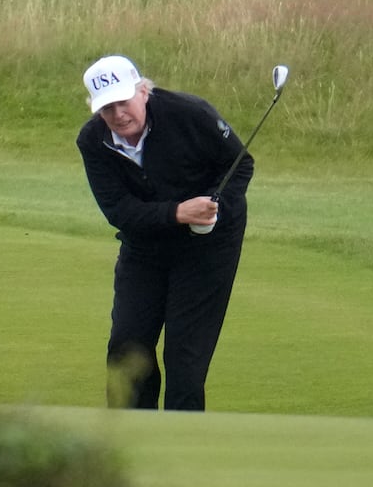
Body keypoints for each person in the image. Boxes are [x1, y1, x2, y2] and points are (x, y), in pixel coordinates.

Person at [76, 55, 253, 411]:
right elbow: (119, 211)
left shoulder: (190, 114)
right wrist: (177, 213)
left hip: (207, 247)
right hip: (145, 247)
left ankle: (182, 447)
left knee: (185, 360)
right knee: (126, 350)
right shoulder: (93, 141)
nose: (118, 114)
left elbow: (239, 164)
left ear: (143, 91)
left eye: (123, 102)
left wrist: (216, 210)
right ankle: (128, 440)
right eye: (107, 108)